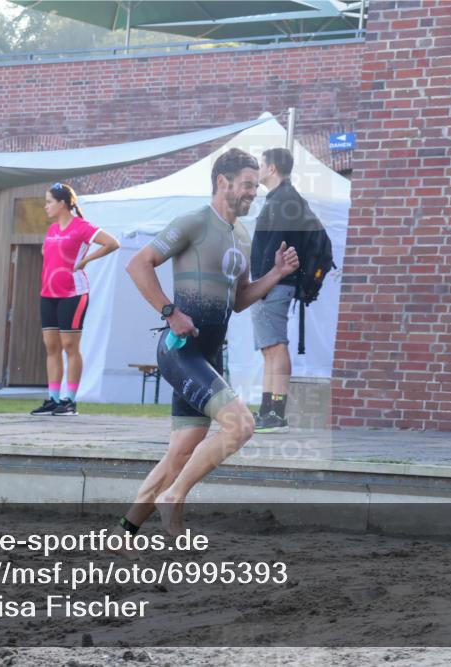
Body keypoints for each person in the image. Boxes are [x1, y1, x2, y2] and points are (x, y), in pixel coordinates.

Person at [119, 148, 300, 537]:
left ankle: (125, 531)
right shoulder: (195, 223)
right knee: (241, 425)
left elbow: (238, 300)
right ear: (224, 182)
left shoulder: (241, 235)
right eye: (248, 185)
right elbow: (138, 264)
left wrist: (276, 274)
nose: (254, 192)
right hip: (181, 352)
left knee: (180, 454)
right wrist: (170, 312)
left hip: (209, 356)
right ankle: (174, 497)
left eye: (256, 185)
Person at [31, 183, 119, 417]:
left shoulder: (81, 227)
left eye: (49, 201)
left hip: (73, 293)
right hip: (48, 294)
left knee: (70, 346)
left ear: (62, 204)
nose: (46, 206)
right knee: (51, 347)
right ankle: (53, 398)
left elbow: (112, 242)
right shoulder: (51, 230)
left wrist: (86, 259)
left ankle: (69, 400)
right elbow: (46, 253)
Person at [250, 147, 318, 434]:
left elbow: (273, 246)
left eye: (261, 165)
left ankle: (276, 410)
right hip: (274, 284)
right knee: (269, 349)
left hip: (274, 284)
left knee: (276, 346)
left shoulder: (283, 201)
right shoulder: (283, 199)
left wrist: (262, 284)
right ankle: (268, 409)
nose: (259, 171)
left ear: (273, 168)